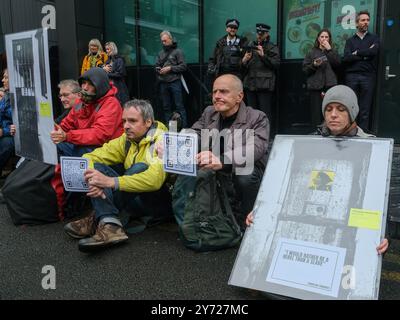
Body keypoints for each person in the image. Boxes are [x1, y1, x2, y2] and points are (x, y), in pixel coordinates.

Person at [246, 85, 389, 255]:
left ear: (352, 113)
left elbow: (375, 198)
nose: (333, 114)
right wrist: (260, 212)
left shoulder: (371, 149)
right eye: (328, 109)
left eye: (341, 109)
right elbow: (282, 186)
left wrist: (380, 234)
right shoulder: (308, 144)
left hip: (346, 234)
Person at [63, 99, 172, 252]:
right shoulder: (127, 139)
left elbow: (155, 181)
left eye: (132, 121)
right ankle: (108, 223)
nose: (126, 126)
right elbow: (92, 156)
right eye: (124, 121)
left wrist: (111, 182)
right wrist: (95, 180)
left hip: (156, 204)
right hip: (132, 199)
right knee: (96, 169)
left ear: (148, 122)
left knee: (140, 167)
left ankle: (99, 218)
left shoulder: (162, 140)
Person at [190, 74, 269, 227]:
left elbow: (256, 148)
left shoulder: (257, 117)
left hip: (244, 168)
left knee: (245, 174)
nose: (216, 96)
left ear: (239, 96)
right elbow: (195, 133)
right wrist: (174, 143)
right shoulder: (209, 112)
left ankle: (251, 223)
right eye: (214, 92)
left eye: (223, 92)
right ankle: (202, 222)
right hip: (217, 166)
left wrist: (222, 160)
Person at [50, 68, 123, 157]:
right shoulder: (80, 103)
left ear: (100, 86)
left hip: (108, 152)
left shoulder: (111, 103)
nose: (85, 87)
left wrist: (67, 136)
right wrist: (54, 131)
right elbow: (66, 125)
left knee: (81, 150)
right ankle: (60, 169)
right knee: (54, 143)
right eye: (83, 83)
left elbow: (100, 134)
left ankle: (67, 169)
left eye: (90, 84)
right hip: (88, 147)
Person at [343, 10, 380, 132]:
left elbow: (373, 52)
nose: (366, 22)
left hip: (368, 76)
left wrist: (357, 52)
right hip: (352, 76)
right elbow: (347, 58)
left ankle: (362, 133)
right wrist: (365, 54)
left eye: (367, 20)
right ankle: (351, 131)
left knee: (365, 107)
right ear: (357, 23)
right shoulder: (350, 41)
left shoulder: (374, 38)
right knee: (352, 105)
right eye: (363, 20)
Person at [242, 23, 280, 128]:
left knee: (265, 113)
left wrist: (263, 56)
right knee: (250, 113)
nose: (259, 35)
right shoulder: (250, 45)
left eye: (262, 33)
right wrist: (244, 60)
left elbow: (276, 64)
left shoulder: (271, 46)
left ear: (267, 34)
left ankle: (265, 137)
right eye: (258, 33)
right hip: (250, 84)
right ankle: (252, 137)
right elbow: (243, 68)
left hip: (264, 84)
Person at [303, 28, 340, 128]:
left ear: (329, 39)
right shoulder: (311, 52)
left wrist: (329, 50)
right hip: (315, 86)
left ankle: (329, 131)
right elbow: (305, 70)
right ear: (318, 39)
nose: (324, 39)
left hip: (330, 86)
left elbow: (337, 65)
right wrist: (314, 65)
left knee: (330, 111)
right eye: (322, 36)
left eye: (326, 37)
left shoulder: (333, 51)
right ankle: (316, 133)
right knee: (316, 113)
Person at [155, 31, 187, 128]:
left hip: (175, 81)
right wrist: (157, 69)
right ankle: (169, 128)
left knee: (179, 106)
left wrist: (170, 68)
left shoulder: (178, 51)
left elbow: (184, 66)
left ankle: (184, 127)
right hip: (163, 82)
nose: (163, 43)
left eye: (165, 40)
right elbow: (156, 65)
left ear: (170, 39)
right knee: (166, 107)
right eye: (162, 41)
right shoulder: (160, 53)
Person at [0, 69, 16, 175]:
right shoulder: (5, 95)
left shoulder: (21, 97)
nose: (2, 80)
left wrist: (4, 131)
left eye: (6, 77)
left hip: (12, 135)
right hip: (5, 131)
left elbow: (18, 119)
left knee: (7, 144)